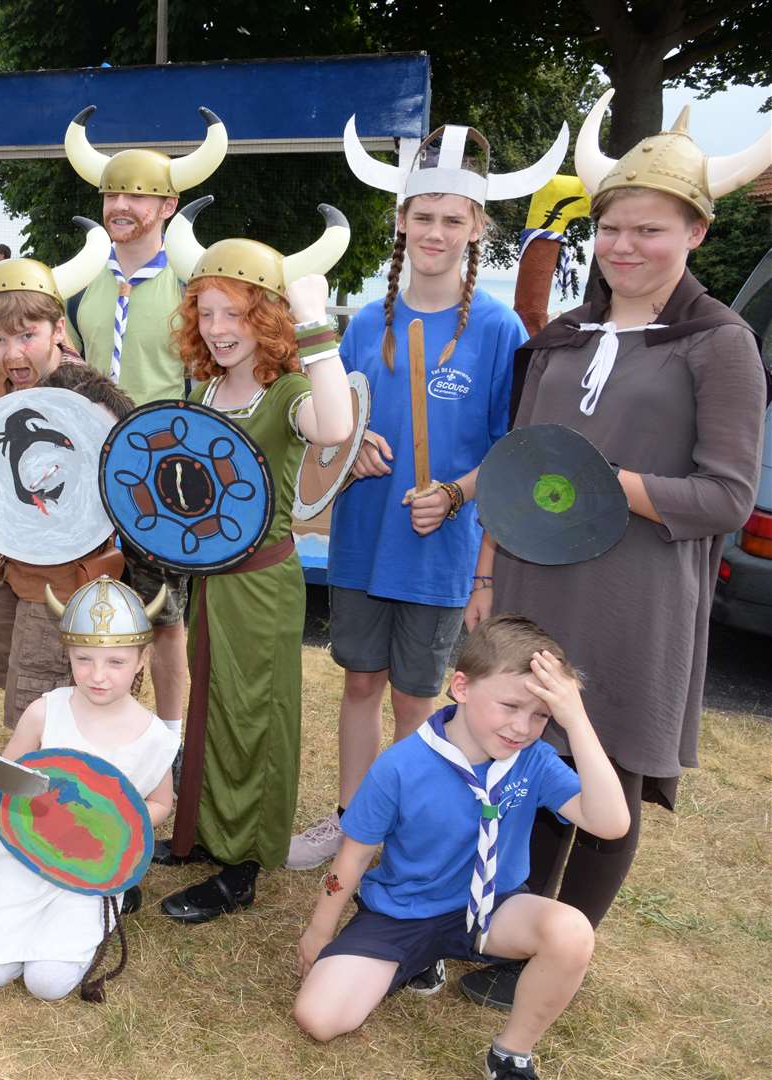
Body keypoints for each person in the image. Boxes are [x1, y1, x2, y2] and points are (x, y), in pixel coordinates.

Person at [459, 92, 769, 1011]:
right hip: (531, 581)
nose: (625, 247)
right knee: (523, 755)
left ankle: (562, 950)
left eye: (650, 230)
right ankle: (514, 931)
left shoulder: (720, 346)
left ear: (697, 234)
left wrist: (610, 483)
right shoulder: (559, 339)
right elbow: (517, 470)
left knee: (605, 767)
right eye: (612, 230)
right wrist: (483, 573)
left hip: (636, 592)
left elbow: (726, 495)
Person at [289, 120, 564, 872]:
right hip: (363, 539)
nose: (434, 231)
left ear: (476, 228)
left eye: (451, 219)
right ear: (400, 221)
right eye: (422, 216)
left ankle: (404, 834)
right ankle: (352, 820)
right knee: (359, 684)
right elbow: (328, 428)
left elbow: (511, 450)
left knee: (416, 699)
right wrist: (352, 448)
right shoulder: (364, 325)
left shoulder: (500, 329)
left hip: (440, 552)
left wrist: (454, 493)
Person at [293, 615, 630, 1080]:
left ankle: (511, 1054)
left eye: (541, 715)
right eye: (510, 706)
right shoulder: (401, 766)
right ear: (461, 687)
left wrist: (576, 720)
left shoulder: (534, 761)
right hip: (403, 913)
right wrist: (319, 929)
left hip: (494, 911)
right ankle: (416, 959)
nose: (522, 727)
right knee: (319, 1018)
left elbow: (611, 823)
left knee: (571, 931)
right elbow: (352, 856)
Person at [151, 202, 356, 923]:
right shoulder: (208, 388)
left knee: (253, 718)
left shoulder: (289, 392)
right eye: (206, 313)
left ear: (266, 317)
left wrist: (317, 328)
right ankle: (201, 834)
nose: (218, 328)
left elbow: (336, 428)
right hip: (208, 580)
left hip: (262, 584)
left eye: (234, 313)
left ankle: (242, 863)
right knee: (207, 710)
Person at [0, 223, 125, 783]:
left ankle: (37, 769)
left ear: (57, 328)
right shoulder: (8, 379)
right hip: (17, 558)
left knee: (43, 669)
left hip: (66, 570)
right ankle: (26, 753)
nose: (11, 353)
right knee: (15, 662)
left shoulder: (86, 391)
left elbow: (112, 477)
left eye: (26, 336)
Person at [61, 106, 228, 754]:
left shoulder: (195, 289)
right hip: (87, 474)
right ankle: (99, 734)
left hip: (167, 476)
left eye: (137, 193)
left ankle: (167, 745)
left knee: (164, 619)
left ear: (169, 204)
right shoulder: (82, 286)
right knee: (93, 607)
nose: (121, 203)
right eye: (111, 191)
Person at [0, 577, 176, 1001]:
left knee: (48, 984)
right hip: (27, 856)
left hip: (93, 866)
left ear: (141, 659)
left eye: (116, 662)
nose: (98, 676)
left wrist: (115, 821)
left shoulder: (154, 736)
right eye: (84, 659)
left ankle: (104, 913)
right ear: (68, 653)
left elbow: (160, 802)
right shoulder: (45, 712)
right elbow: (7, 779)